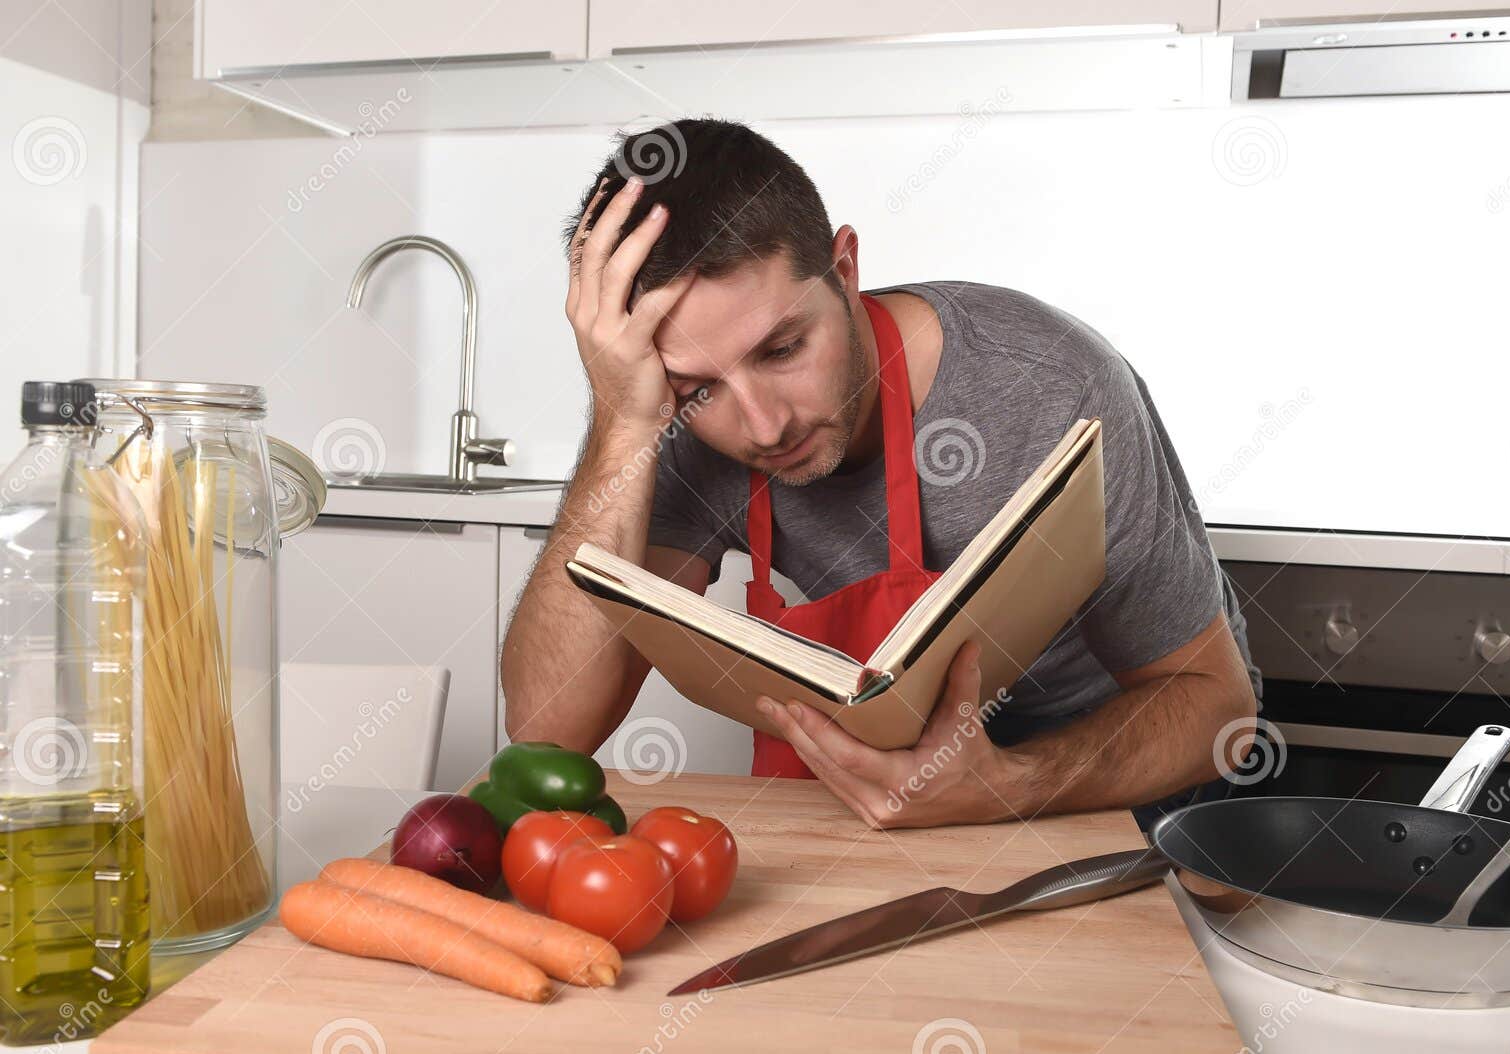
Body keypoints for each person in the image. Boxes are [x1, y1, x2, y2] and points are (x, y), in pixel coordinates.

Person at [501, 119, 1261, 832]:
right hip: (886, 810)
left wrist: (1008, 783)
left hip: (1103, 796)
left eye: (783, 349)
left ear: (844, 268)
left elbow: (1217, 711)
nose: (765, 425)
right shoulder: (666, 421)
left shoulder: (1052, 386)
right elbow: (549, 726)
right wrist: (622, 423)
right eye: (701, 388)